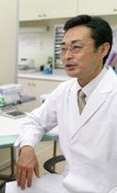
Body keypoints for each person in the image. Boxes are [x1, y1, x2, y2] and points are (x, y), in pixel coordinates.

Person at [13, 15, 117, 193]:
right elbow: (35, 121)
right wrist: (27, 148)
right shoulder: (64, 90)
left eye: (76, 48)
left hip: (106, 188)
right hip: (66, 184)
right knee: (12, 189)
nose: (67, 56)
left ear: (103, 50)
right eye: (63, 49)